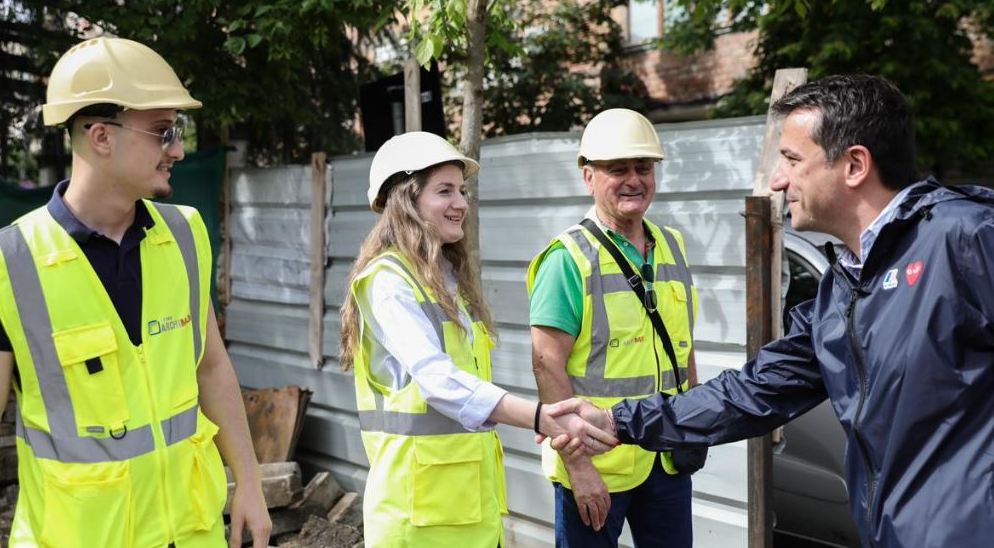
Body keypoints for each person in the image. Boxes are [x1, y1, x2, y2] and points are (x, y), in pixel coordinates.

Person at [551, 74, 994, 548]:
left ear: (854, 165)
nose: (779, 180)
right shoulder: (843, 290)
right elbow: (752, 391)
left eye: (792, 160)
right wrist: (619, 421)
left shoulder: (965, 238)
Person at [0, 37, 271, 547]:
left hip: (192, 535)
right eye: (164, 133)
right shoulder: (5, 266)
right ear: (101, 136)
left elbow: (210, 365)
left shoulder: (185, 235)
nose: (179, 150)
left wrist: (249, 481)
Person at [339, 131, 617, 548]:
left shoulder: (443, 281)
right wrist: (540, 416)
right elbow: (439, 381)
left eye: (462, 191)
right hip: (417, 521)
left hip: (468, 514)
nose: (461, 204)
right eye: (444, 191)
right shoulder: (388, 282)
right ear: (405, 200)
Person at [528, 109, 700, 548]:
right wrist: (578, 467)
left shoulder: (672, 246)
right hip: (598, 468)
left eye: (643, 168)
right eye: (617, 169)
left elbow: (684, 349)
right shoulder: (567, 258)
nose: (634, 179)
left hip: (666, 459)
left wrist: (696, 425)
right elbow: (547, 365)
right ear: (588, 177)